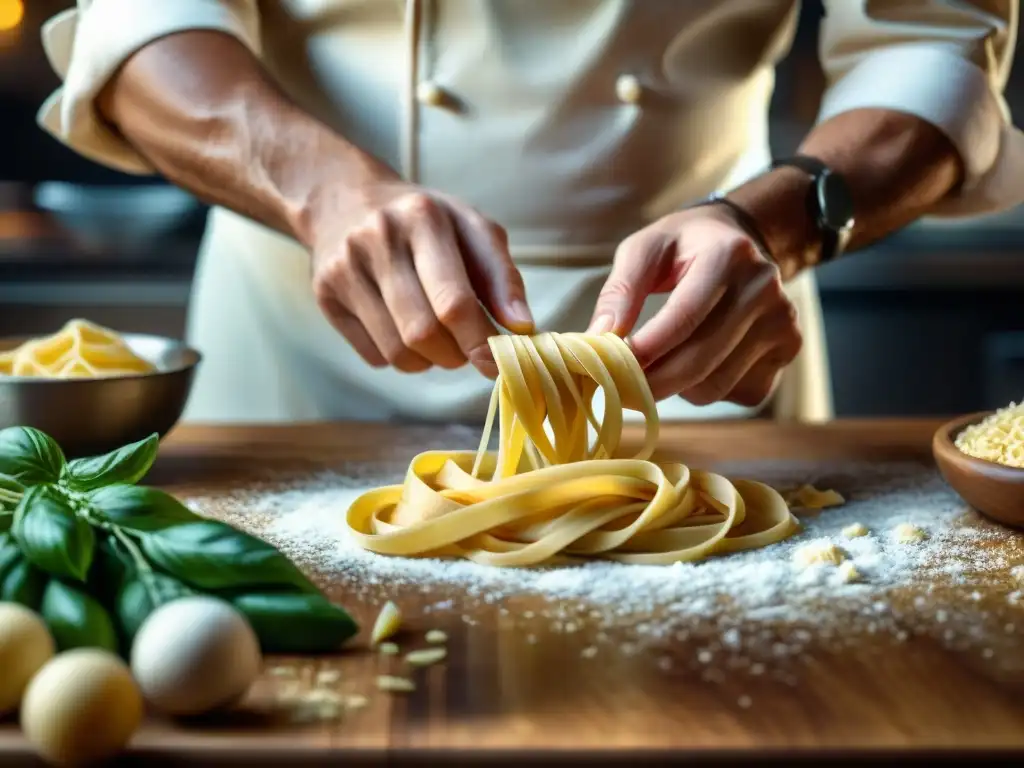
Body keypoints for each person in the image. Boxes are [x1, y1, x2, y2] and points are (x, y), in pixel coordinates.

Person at [37, 1, 1024, 424]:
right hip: (297, 342)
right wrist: (325, 191)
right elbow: (140, 25)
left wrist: (773, 224)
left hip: (700, 339)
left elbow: (931, 44)